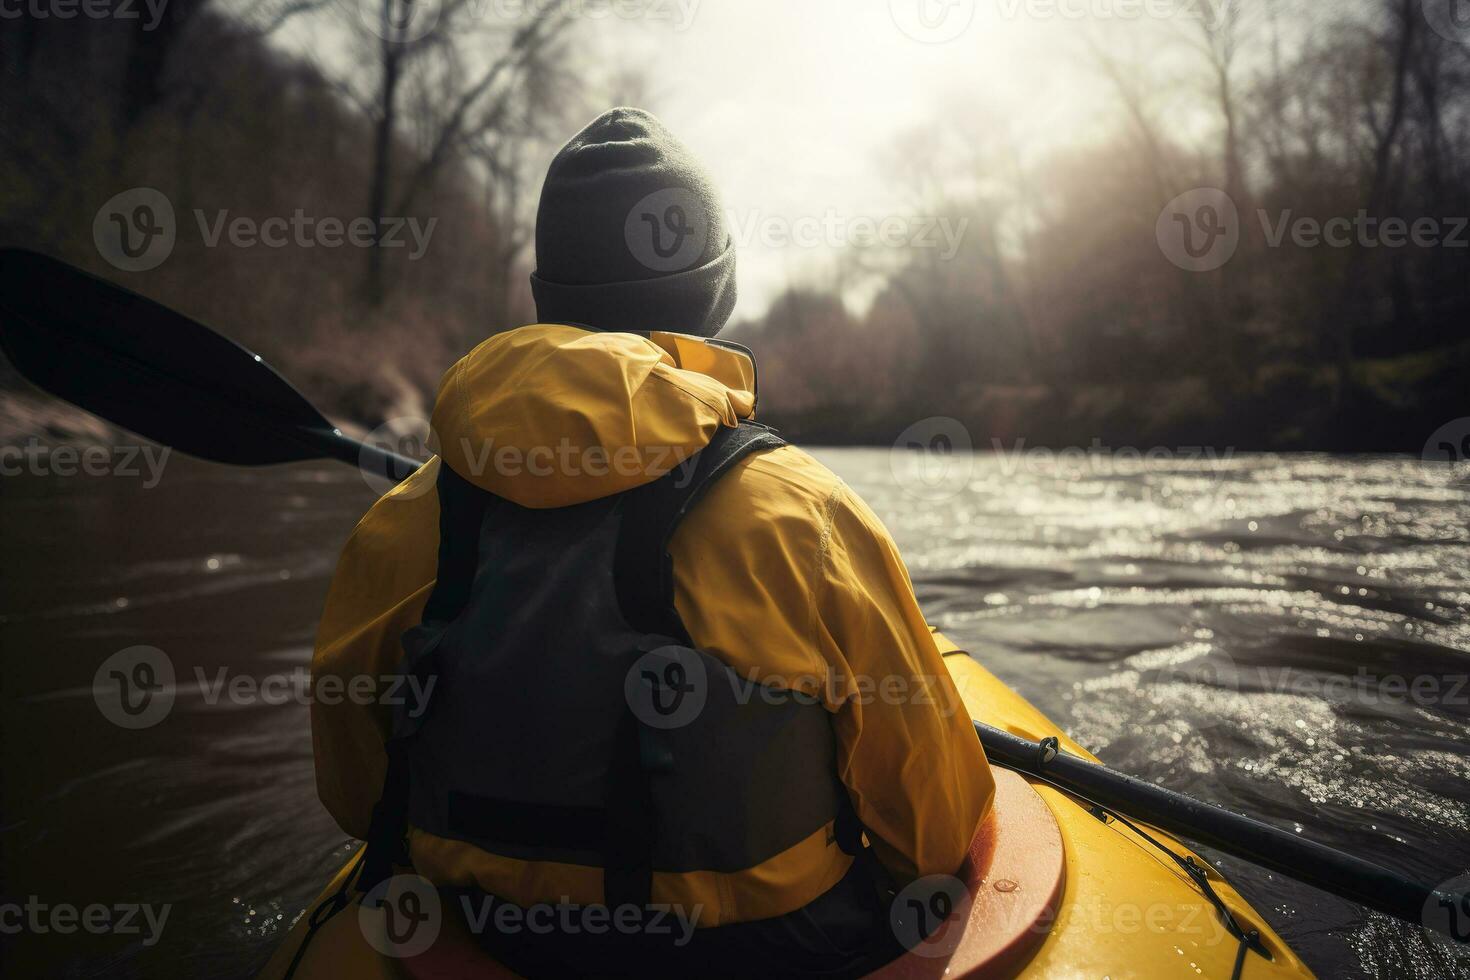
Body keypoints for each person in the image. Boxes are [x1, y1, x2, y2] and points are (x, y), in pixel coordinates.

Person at [310, 107, 993, 978]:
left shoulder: (400, 524)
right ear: (715, 299)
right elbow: (932, 837)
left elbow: (355, 798)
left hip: (483, 942)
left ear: (545, 302)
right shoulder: (807, 518)